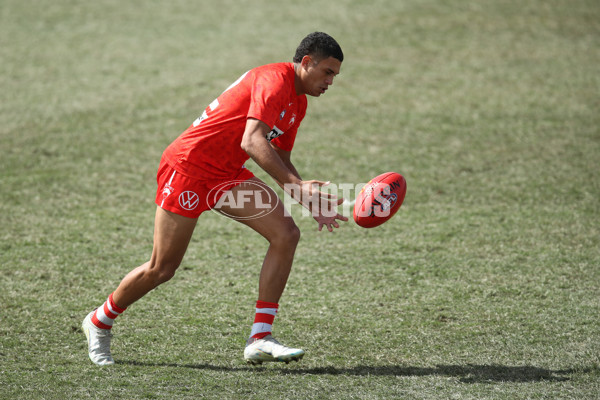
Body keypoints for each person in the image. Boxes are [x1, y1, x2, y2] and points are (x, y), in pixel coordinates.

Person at [82, 32, 347, 366]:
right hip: (188, 169)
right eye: (327, 72)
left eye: (334, 75)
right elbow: (253, 141)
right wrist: (296, 184)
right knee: (162, 268)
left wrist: (301, 193)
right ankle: (99, 321)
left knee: (286, 234)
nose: (330, 81)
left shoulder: (298, 102)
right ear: (306, 62)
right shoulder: (274, 81)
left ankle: (260, 337)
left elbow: (278, 152)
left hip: (226, 175)